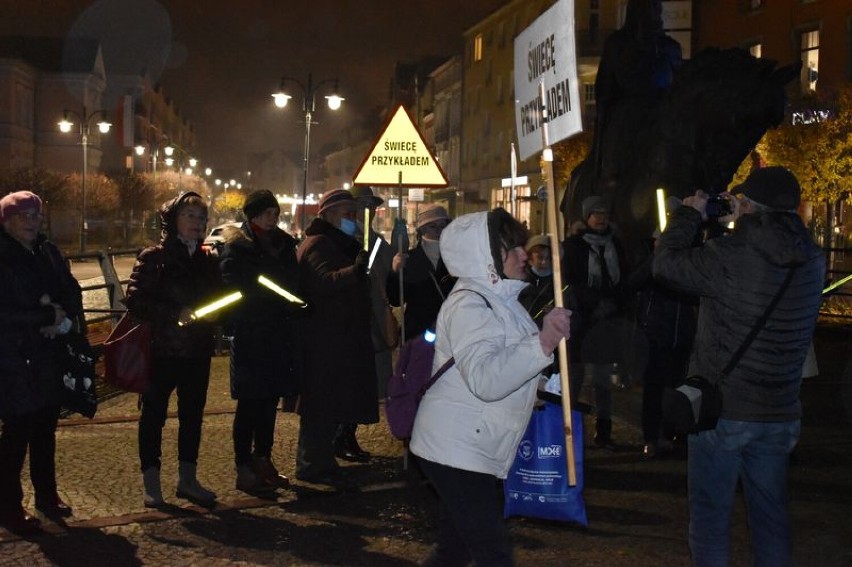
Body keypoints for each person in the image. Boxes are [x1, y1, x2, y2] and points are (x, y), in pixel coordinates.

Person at [653, 167, 824, 566]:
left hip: (723, 412)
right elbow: (768, 255)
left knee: (711, 518)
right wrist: (744, 223)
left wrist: (691, 214)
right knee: (771, 518)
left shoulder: (729, 255)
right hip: (779, 411)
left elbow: (666, 264)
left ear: (747, 204)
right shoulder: (812, 259)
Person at [410, 208, 571, 566]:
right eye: (509, 249)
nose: (522, 254)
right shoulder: (471, 303)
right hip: (457, 448)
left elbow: (509, 361)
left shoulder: (502, 301)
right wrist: (543, 343)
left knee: (455, 549)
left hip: (470, 444)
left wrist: (545, 383)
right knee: (492, 552)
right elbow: (486, 378)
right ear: (482, 258)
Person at [125, 192, 223, 508]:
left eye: (201, 217)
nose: (198, 223)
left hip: (197, 350)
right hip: (162, 351)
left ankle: (188, 480)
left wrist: (219, 311)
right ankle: (151, 483)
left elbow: (220, 296)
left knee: (192, 416)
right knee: (153, 417)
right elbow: (136, 300)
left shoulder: (208, 259)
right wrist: (174, 312)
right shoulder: (154, 257)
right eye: (190, 216)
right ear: (173, 220)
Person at [0, 191, 83, 533]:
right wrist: (45, 315)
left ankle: (46, 495)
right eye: (23, 215)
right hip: (13, 357)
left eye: (35, 214)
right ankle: (7, 505)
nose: (32, 221)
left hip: (47, 355)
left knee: (46, 429)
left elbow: (72, 289)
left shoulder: (48, 251)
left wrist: (60, 315)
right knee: (16, 433)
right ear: (6, 220)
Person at [219, 189, 299, 495]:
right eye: (267, 214)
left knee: (269, 403)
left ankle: (263, 459)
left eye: (275, 214)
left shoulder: (283, 244)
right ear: (252, 216)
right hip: (251, 334)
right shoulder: (239, 247)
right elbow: (233, 285)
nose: (272, 220)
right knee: (250, 404)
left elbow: (293, 282)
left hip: (278, 334)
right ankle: (244, 465)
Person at [296, 189, 377, 486]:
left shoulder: (338, 243)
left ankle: (322, 461)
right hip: (324, 339)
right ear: (327, 214)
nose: (352, 220)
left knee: (331, 404)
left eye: (354, 214)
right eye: (347, 214)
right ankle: (311, 464)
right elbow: (324, 281)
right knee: (320, 405)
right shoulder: (319, 244)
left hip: (338, 337)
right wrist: (354, 272)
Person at [563, 195, 633, 447]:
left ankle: (604, 431)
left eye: (605, 213)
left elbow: (624, 280)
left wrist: (612, 304)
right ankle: (569, 430)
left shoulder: (616, 245)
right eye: (596, 213)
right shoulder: (573, 246)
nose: (601, 219)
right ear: (586, 216)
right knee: (575, 379)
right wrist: (594, 302)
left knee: (603, 381)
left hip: (606, 324)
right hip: (581, 322)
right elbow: (570, 282)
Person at [331, 185, 394, 463]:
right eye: (362, 206)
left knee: (366, 384)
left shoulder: (378, 240)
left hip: (374, 320)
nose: (367, 212)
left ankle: (349, 433)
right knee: (347, 383)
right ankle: (337, 436)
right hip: (349, 320)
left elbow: (389, 275)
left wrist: (400, 254)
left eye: (371, 207)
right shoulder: (340, 238)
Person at [634, 230, 697, 459]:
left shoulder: (685, 264)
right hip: (655, 335)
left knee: (677, 388)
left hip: (681, 335)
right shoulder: (652, 264)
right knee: (653, 390)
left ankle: (672, 433)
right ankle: (651, 437)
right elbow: (633, 282)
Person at [387, 204, 456, 341]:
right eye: (433, 226)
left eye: (442, 226)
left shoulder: (456, 258)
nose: (438, 231)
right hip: (418, 333)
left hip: (451, 331)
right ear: (422, 229)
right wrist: (395, 272)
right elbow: (395, 299)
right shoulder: (409, 259)